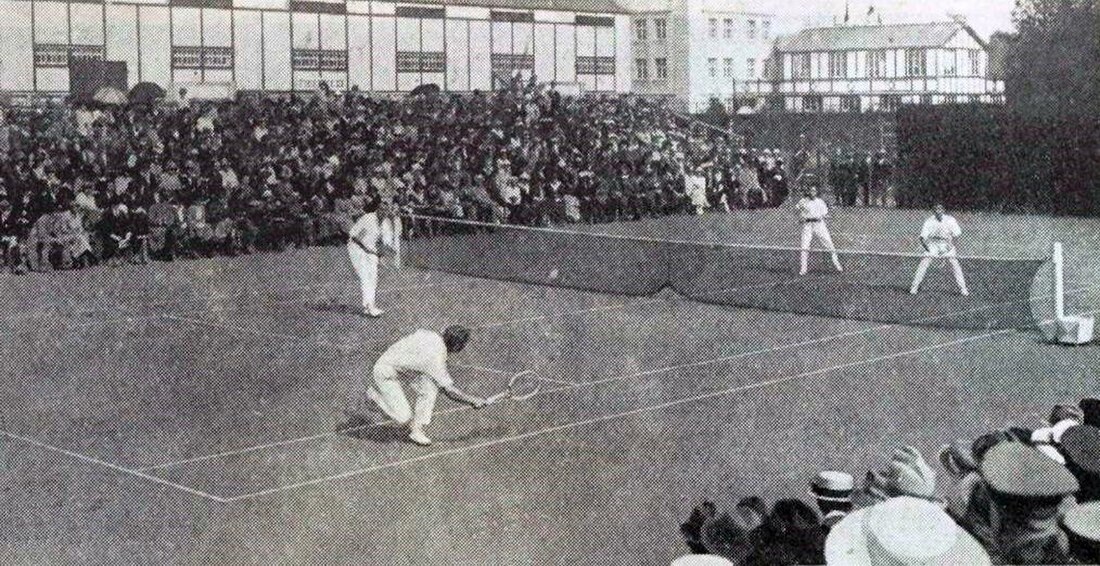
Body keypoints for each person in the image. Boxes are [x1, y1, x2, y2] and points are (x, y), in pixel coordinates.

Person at [353, 326, 491, 446]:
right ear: (456, 347)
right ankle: (373, 398)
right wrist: (473, 400)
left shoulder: (429, 334)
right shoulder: (435, 360)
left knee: (430, 387)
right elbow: (449, 391)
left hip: (403, 367)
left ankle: (416, 429)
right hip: (385, 372)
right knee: (403, 418)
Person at [909, 203, 969, 296]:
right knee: (924, 262)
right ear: (934, 211)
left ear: (943, 210)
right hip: (933, 244)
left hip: (947, 244)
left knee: (954, 264)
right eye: (936, 210)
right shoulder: (929, 221)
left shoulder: (951, 220)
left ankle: (963, 289)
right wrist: (928, 249)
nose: (938, 212)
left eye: (940, 209)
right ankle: (914, 287)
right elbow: (922, 238)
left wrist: (951, 246)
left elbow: (957, 236)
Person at [347, 199, 386, 318]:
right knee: (365, 276)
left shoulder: (384, 222)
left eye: (387, 210)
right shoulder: (369, 219)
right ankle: (368, 306)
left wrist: (380, 255)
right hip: (356, 248)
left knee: (373, 276)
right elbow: (356, 238)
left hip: (369, 249)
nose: (385, 212)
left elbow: (379, 241)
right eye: (382, 209)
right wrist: (367, 250)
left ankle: (369, 306)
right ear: (378, 209)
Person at [794, 182, 843, 275]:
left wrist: (825, 216)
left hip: (819, 225)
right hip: (807, 226)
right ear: (808, 191)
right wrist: (800, 218)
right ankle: (803, 269)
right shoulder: (803, 201)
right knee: (804, 247)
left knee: (829, 244)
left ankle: (837, 265)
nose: (812, 192)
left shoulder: (820, 202)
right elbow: (796, 210)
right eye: (810, 190)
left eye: (814, 191)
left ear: (816, 192)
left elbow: (825, 214)